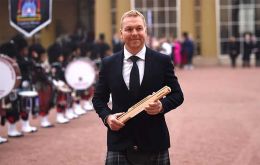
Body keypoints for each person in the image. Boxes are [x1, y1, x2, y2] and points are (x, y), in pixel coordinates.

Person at [92, 10, 184, 165]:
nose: (134, 33)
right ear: (121, 33)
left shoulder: (162, 61)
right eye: (128, 29)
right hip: (119, 141)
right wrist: (107, 117)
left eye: (139, 28)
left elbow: (177, 95)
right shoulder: (108, 64)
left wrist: (162, 106)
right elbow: (98, 99)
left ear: (145, 31)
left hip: (154, 141)